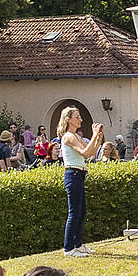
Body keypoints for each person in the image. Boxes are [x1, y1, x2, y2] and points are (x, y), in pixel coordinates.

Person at [55, 106, 104, 256]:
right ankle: (69, 248)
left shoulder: (76, 136)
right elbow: (85, 152)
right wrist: (95, 135)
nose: (80, 119)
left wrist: (98, 137)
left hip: (79, 175)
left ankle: (78, 244)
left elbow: (91, 152)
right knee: (74, 212)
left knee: (81, 212)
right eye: (77, 117)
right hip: (73, 174)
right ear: (68, 119)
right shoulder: (69, 136)